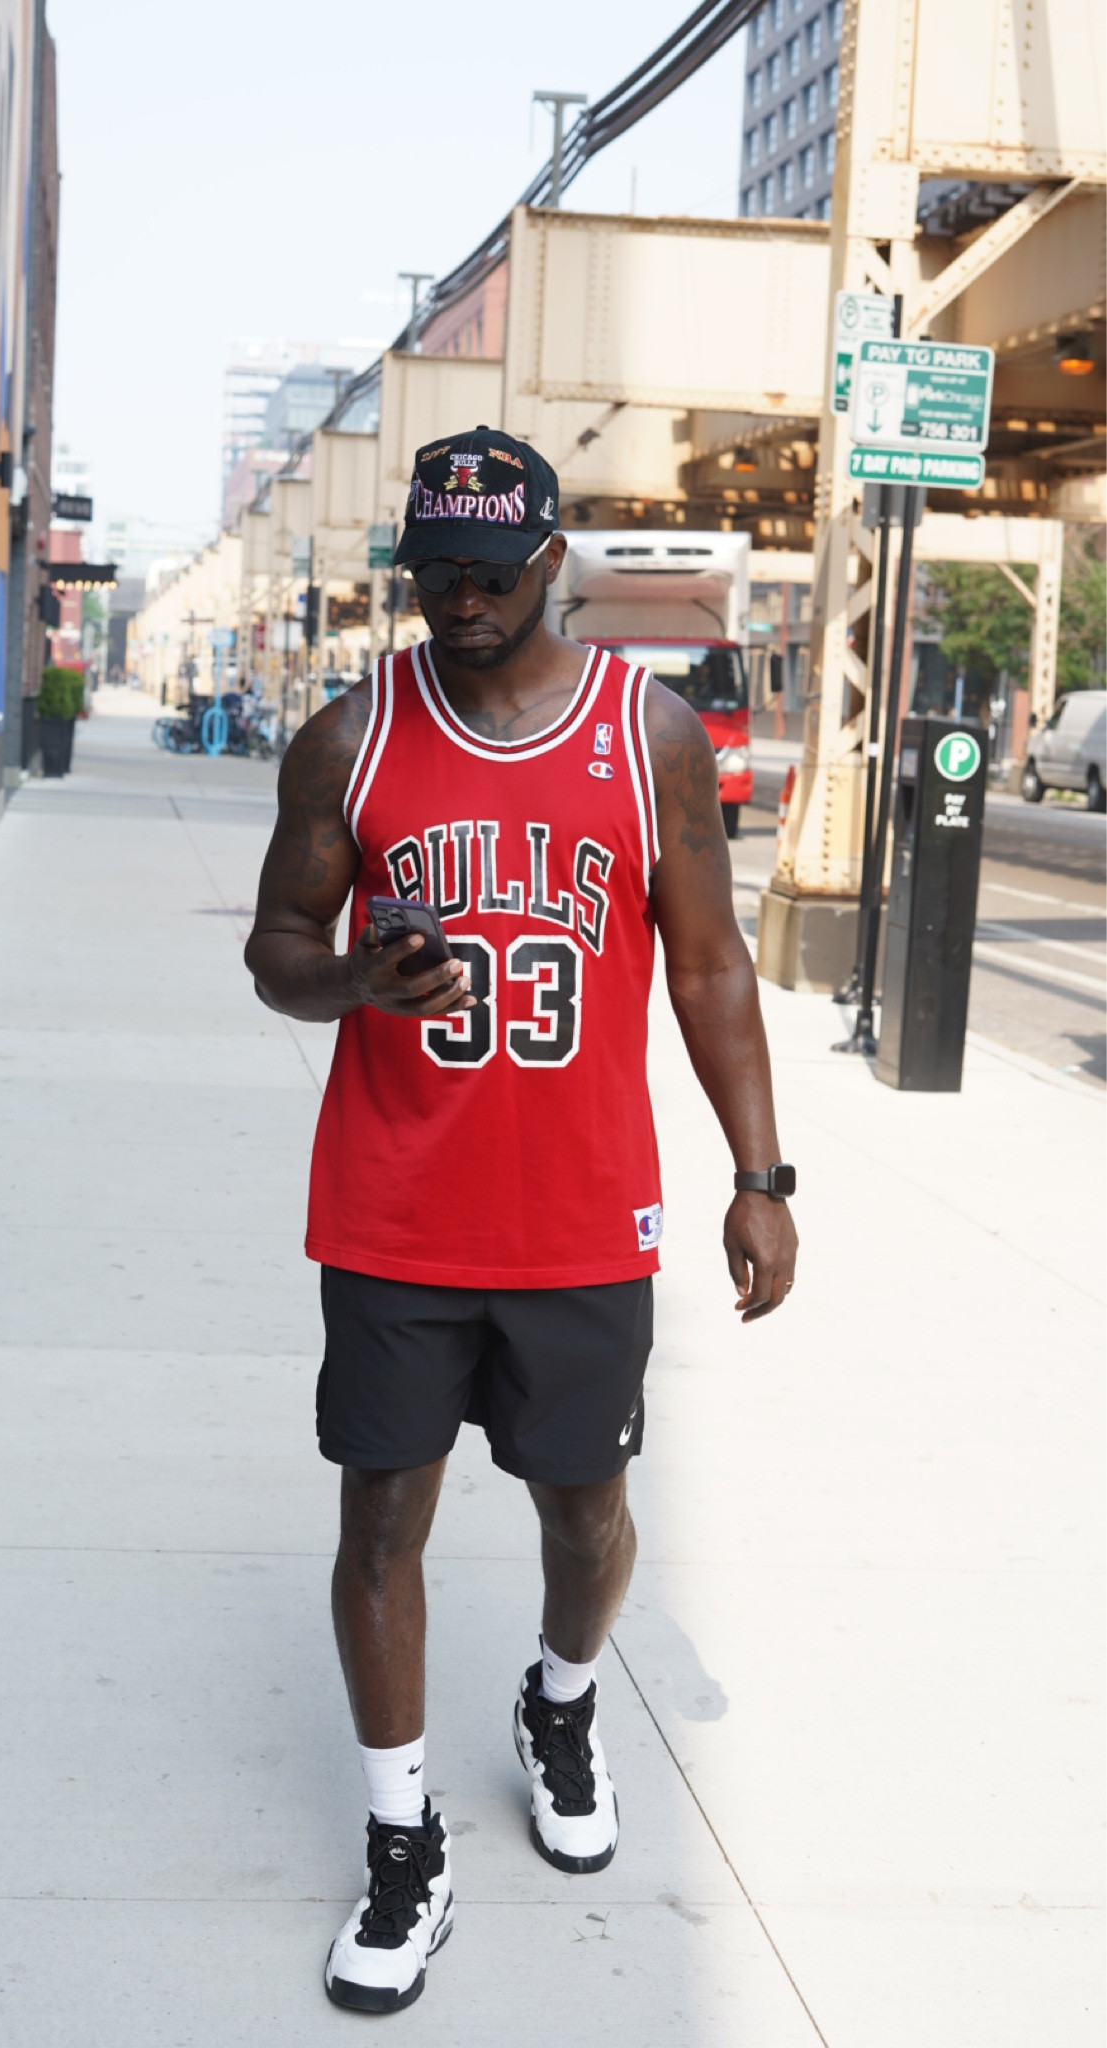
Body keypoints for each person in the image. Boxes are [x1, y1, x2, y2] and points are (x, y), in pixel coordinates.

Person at [245, 427, 798, 2014]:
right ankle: (401, 1842)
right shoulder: (350, 736)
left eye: (489, 572)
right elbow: (279, 943)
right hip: (394, 1211)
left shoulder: (652, 735)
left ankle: (559, 1703)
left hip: (577, 1221)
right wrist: (353, 978)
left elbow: (706, 967)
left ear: (553, 563)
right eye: (434, 573)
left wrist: (757, 1179)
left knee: (582, 1520)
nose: (461, 599)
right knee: (377, 1530)